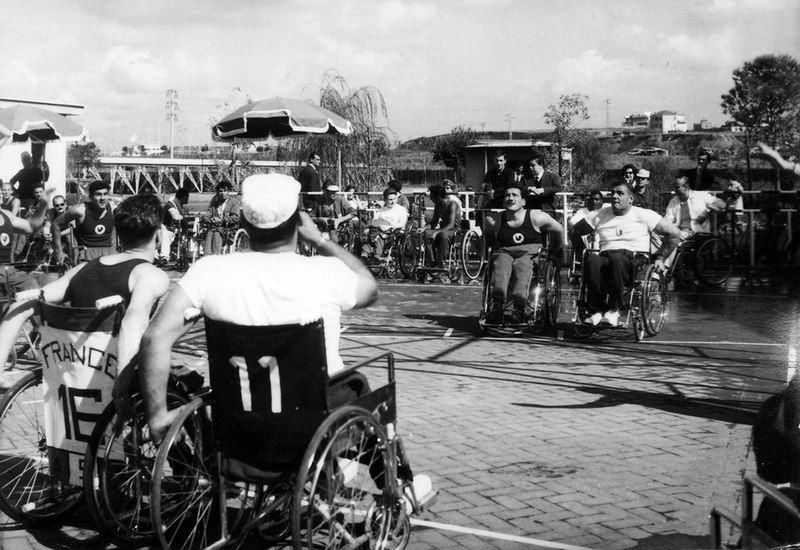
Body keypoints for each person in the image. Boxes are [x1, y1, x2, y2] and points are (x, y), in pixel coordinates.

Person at [139, 173, 379, 442]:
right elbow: (370, 288)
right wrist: (320, 241)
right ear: (299, 223)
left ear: (243, 221)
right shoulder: (326, 272)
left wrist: (158, 417)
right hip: (312, 426)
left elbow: (154, 337)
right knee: (359, 384)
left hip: (240, 425)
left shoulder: (208, 272)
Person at [0, 194, 169, 392]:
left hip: (73, 375)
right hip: (115, 379)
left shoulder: (81, 270)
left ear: (120, 235)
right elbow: (132, 325)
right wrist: (121, 388)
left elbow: (21, 305)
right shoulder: (150, 275)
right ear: (158, 236)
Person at [573, 181, 680, 327]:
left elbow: (674, 234)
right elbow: (574, 231)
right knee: (592, 260)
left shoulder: (644, 215)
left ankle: (614, 310)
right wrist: (582, 254)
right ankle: (597, 310)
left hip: (634, 260)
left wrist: (661, 257)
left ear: (631, 198)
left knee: (616, 258)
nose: (614, 196)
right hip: (607, 257)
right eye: (612, 193)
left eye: (620, 193)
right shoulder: (599, 214)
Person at [483, 183, 563, 324]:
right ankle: (497, 306)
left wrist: (553, 251)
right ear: (503, 201)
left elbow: (559, 229)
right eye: (507, 195)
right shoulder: (493, 220)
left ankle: (519, 309)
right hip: (505, 252)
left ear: (523, 201)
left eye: (515, 195)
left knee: (523, 266)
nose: (510, 198)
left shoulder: (536, 217)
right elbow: (488, 236)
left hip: (529, 254)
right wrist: (492, 251)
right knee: (501, 264)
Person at [52, 179, 116, 263]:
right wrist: (59, 251)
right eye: (98, 194)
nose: (103, 198)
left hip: (108, 253)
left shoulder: (114, 209)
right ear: (90, 197)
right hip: (87, 253)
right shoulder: (80, 210)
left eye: (105, 194)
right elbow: (55, 224)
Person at [361, 187, 408, 261]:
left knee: (379, 235)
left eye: (394, 199)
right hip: (378, 230)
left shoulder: (401, 210)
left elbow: (402, 224)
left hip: (394, 232)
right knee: (369, 232)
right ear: (385, 200)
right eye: (390, 199)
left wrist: (390, 227)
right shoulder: (381, 210)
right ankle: (364, 255)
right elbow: (374, 222)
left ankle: (374, 255)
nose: (393, 201)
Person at [424, 181, 461, 273]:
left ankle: (441, 261)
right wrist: (425, 228)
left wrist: (436, 232)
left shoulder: (452, 204)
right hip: (443, 229)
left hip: (454, 230)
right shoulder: (438, 205)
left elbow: (451, 224)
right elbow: (434, 223)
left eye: (432, 197)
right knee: (427, 233)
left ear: (438, 197)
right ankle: (432, 261)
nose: (431, 199)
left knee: (442, 235)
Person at [312, 179, 357, 245]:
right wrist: (321, 219)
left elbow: (353, 213)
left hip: (337, 229)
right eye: (332, 192)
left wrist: (339, 220)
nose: (334, 194)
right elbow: (310, 217)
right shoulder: (318, 201)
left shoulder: (340, 199)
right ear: (325, 191)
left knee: (333, 236)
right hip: (321, 228)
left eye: (335, 191)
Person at [202, 181, 239, 255]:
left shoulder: (234, 202)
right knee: (209, 233)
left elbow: (235, 218)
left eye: (225, 191)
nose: (223, 193)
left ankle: (216, 256)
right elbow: (206, 216)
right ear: (217, 193)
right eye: (220, 191)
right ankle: (206, 257)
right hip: (215, 228)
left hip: (228, 229)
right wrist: (211, 220)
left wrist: (221, 220)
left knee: (216, 233)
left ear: (228, 191)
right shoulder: (214, 204)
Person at [569, 189, 604, 259]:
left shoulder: (605, 211)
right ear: (589, 201)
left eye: (597, 199)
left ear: (601, 201)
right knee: (574, 232)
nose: (594, 202)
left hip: (602, 238)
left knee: (598, 235)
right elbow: (572, 222)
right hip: (586, 239)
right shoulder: (583, 211)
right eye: (592, 199)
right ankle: (585, 256)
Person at [159, 187, 191, 262]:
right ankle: (164, 258)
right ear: (183, 197)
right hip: (164, 228)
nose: (188, 199)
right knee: (165, 235)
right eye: (187, 197)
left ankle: (161, 257)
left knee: (168, 235)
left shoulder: (180, 207)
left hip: (173, 231)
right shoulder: (170, 205)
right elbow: (176, 216)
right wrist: (183, 218)